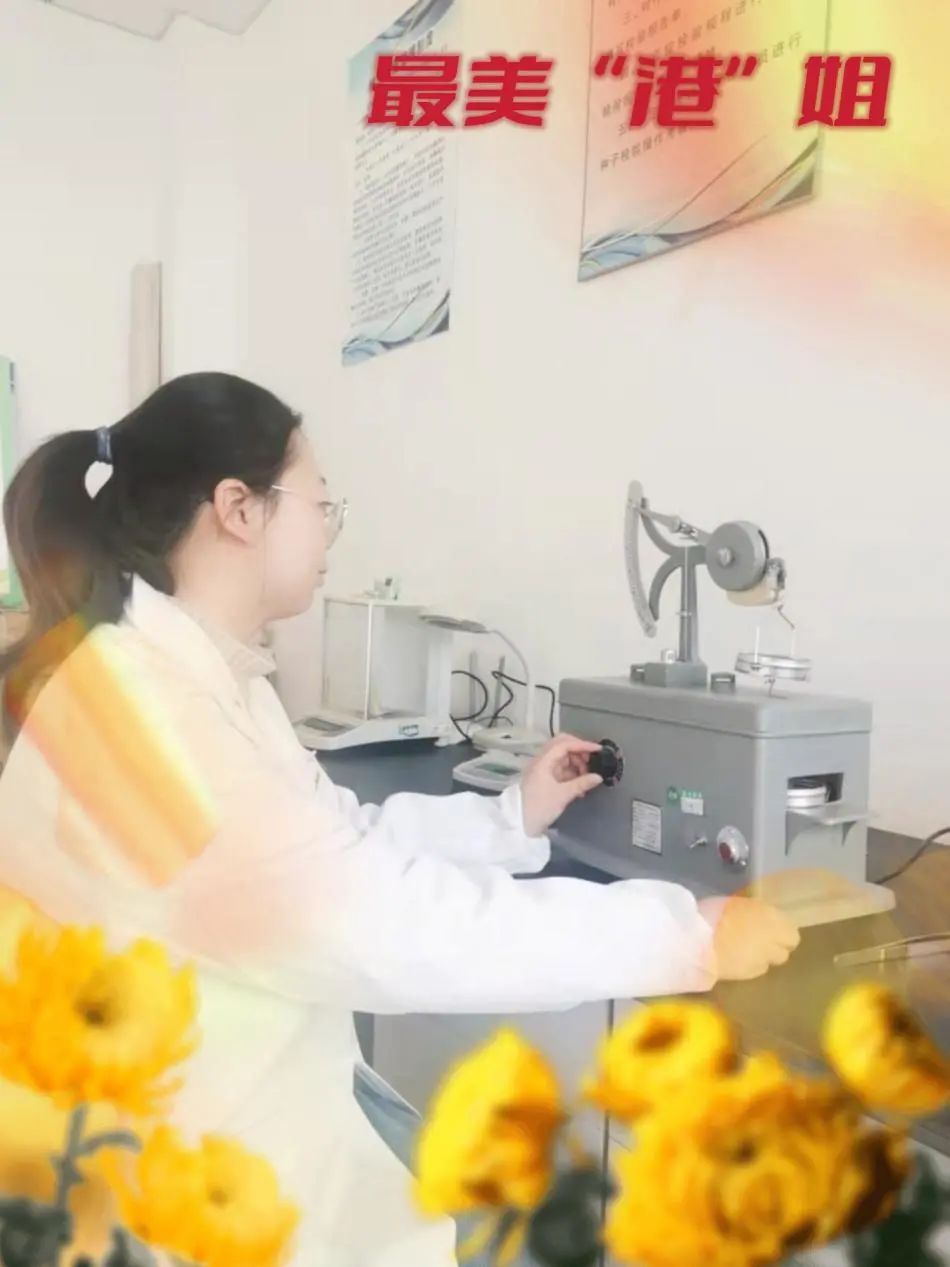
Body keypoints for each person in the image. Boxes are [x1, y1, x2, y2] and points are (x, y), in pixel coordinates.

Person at [0, 373, 798, 1267]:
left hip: (234, 1099)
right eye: (322, 504)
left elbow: (330, 836)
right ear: (239, 510)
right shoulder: (144, 716)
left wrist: (509, 817)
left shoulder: (192, 674)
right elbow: (371, 920)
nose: (330, 533)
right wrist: (682, 930)